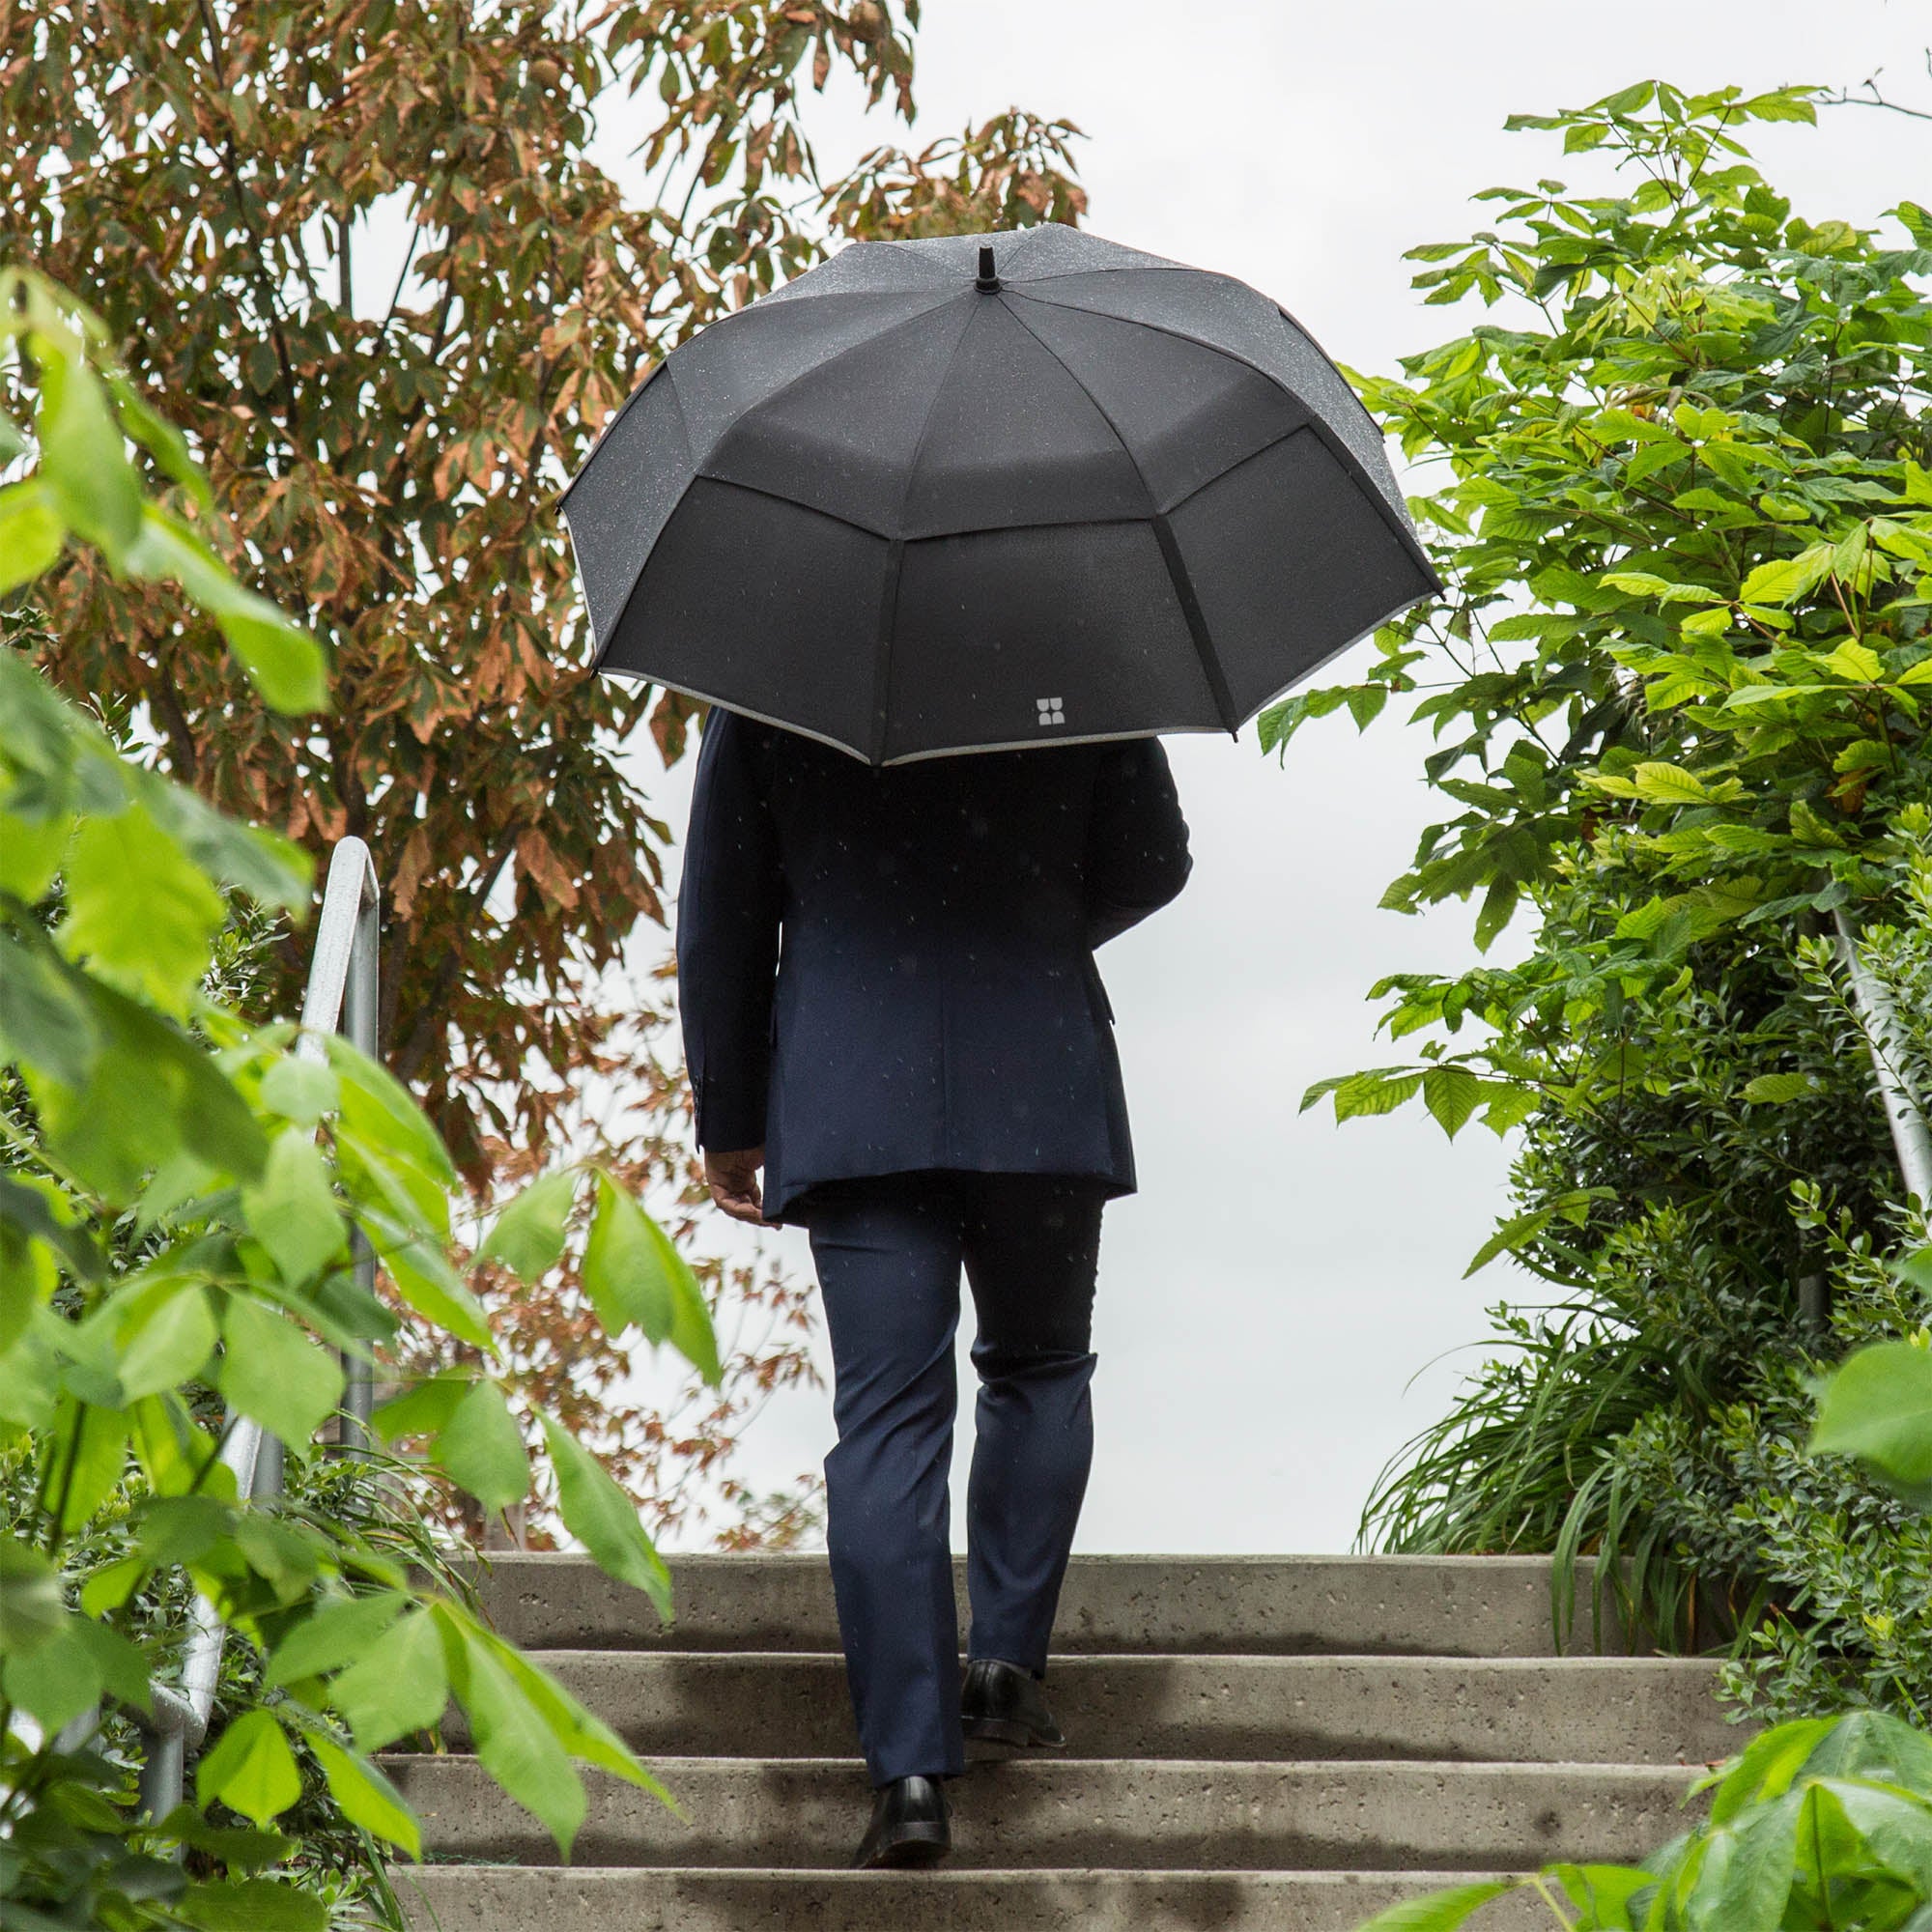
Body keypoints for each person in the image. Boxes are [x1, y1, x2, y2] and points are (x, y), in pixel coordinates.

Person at [675, 703, 1192, 1867]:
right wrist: (1035, 931)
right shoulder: (1079, 648)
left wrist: (731, 1110)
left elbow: (722, 912)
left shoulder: (771, 676)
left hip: (852, 1085)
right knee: (1041, 1361)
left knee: (888, 1420)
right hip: (1040, 1068)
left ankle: (908, 1773)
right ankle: (1004, 1663)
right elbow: (1155, 859)